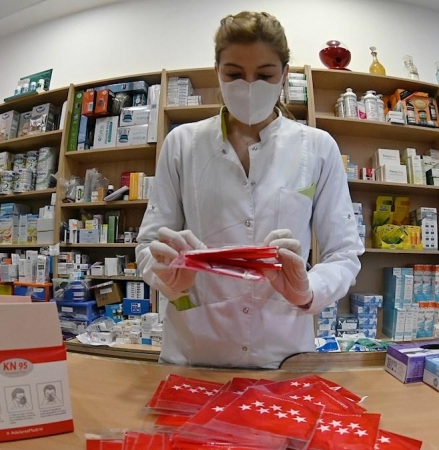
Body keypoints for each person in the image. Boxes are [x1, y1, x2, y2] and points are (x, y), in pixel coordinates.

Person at [136, 11, 363, 369]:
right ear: (218, 74)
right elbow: (149, 246)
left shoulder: (317, 147)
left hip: (282, 352)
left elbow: (344, 254)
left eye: (265, 75)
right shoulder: (182, 143)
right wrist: (166, 275)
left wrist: (307, 291)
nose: (249, 86)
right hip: (195, 351)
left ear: (285, 75)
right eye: (235, 74)